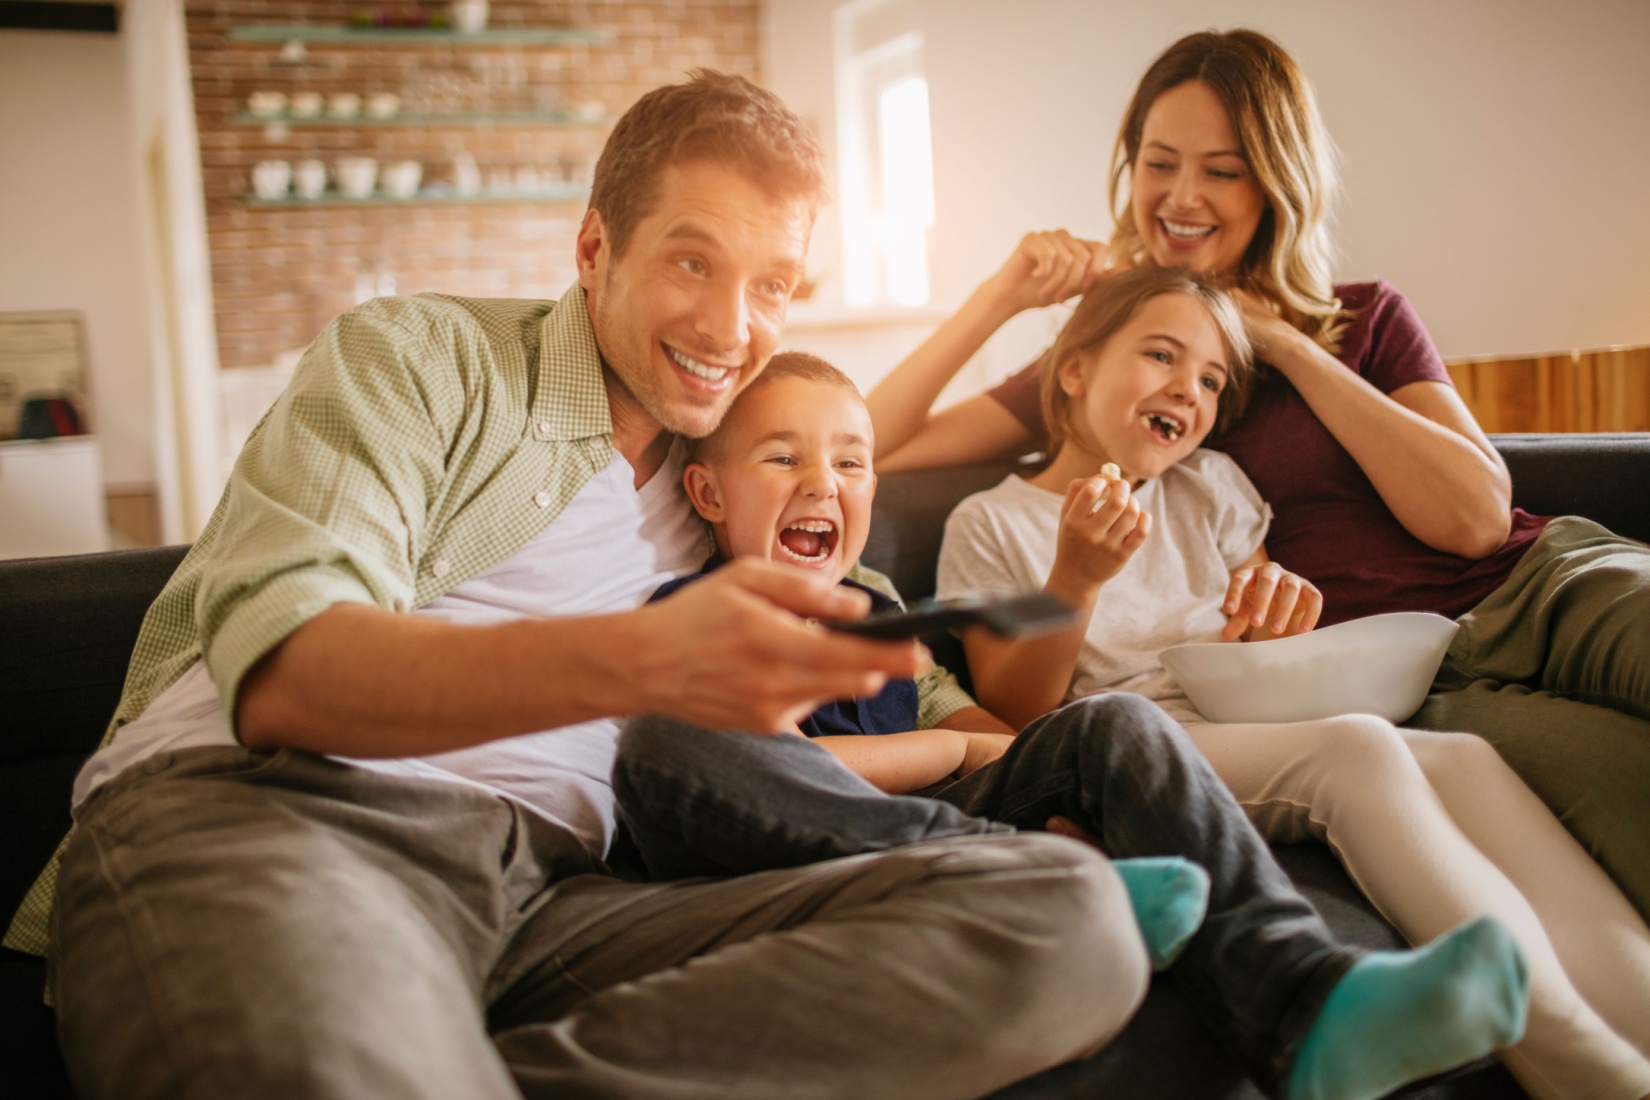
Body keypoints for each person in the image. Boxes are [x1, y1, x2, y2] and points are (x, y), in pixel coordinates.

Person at [4, 72, 1168, 1100]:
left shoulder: (732, 480)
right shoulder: (420, 359)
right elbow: (285, 671)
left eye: (775, 285)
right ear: (595, 249)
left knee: (1069, 919)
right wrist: (650, 659)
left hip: (555, 894)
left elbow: (853, 441)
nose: (730, 327)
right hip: (282, 827)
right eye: (693, 261)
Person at [862, 27, 1650, 924]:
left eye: (1224, 170)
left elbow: (1475, 519)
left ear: (1275, 182)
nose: (1183, 196)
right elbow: (872, 448)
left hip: (1541, 587)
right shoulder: (1121, 371)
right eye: (1160, 164)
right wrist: (1000, 295)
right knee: (1627, 793)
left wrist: (1278, 341)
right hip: (1426, 681)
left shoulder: (1363, 319)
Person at [613, 348, 1533, 1100]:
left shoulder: (876, 602)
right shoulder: (695, 613)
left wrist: (1074, 780)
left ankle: (1309, 1001)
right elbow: (782, 771)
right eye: (783, 459)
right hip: (797, 840)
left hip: (944, 820)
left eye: (850, 462)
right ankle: (1032, 879)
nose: (824, 483)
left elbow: (992, 732)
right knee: (715, 753)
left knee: (1110, 723)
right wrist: (949, 750)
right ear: (706, 495)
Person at [933, 265, 1650, 1100]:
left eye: (1209, 379)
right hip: (1135, 745)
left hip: (1236, 714)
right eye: (1161, 355)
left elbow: (1259, 626)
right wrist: (1076, 580)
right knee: (1356, 751)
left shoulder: (1212, 487)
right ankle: (1588, 1072)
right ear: (1075, 369)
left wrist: (1270, 626)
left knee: (1463, 758)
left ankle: (1637, 1018)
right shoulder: (990, 521)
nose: (1188, 389)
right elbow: (1017, 709)